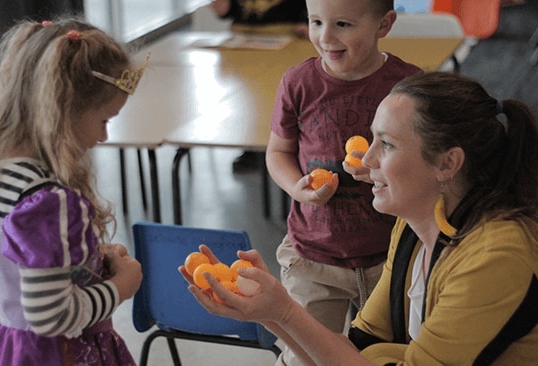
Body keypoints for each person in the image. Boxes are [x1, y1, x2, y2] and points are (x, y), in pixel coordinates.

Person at [181, 70, 538, 365]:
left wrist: (286, 312)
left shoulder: (496, 255)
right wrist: (267, 312)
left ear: (447, 163)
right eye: (372, 140)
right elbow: (356, 349)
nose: (366, 161)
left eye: (388, 144)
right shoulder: (414, 227)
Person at [263, 0, 420, 363]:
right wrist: (295, 187)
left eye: (343, 25)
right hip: (314, 258)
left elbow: (423, 165)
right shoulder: (298, 83)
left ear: (384, 25)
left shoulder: (408, 87)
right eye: (315, 21)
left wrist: (384, 171)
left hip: (391, 257)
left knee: (384, 356)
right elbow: (278, 153)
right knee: (307, 356)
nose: (325, 36)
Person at [0, 18, 144, 365]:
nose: (104, 137)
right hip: (55, 354)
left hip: (8, 344)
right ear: (63, 111)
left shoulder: (0, 172)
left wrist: (86, 259)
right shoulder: (48, 202)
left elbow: (18, 265)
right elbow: (52, 317)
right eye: (103, 120)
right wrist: (122, 285)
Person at [209, 0, 309, 172]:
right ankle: (252, 147)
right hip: (242, 42)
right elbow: (229, 9)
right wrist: (222, 8)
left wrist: (309, 22)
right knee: (250, 102)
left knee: (279, 98)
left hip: (287, 41)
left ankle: (285, 147)